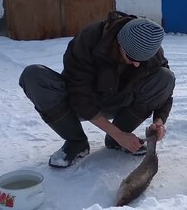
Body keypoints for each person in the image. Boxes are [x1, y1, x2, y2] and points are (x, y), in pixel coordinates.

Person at [19, 11, 175, 168]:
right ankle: (76, 141)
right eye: (132, 58)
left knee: (166, 76)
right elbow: (78, 95)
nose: (136, 65)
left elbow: (165, 90)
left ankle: (117, 140)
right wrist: (118, 133)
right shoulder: (89, 39)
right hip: (79, 101)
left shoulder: (150, 47)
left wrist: (159, 122)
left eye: (141, 61)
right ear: (119, 42)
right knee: (33, 75)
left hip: (121, 100)